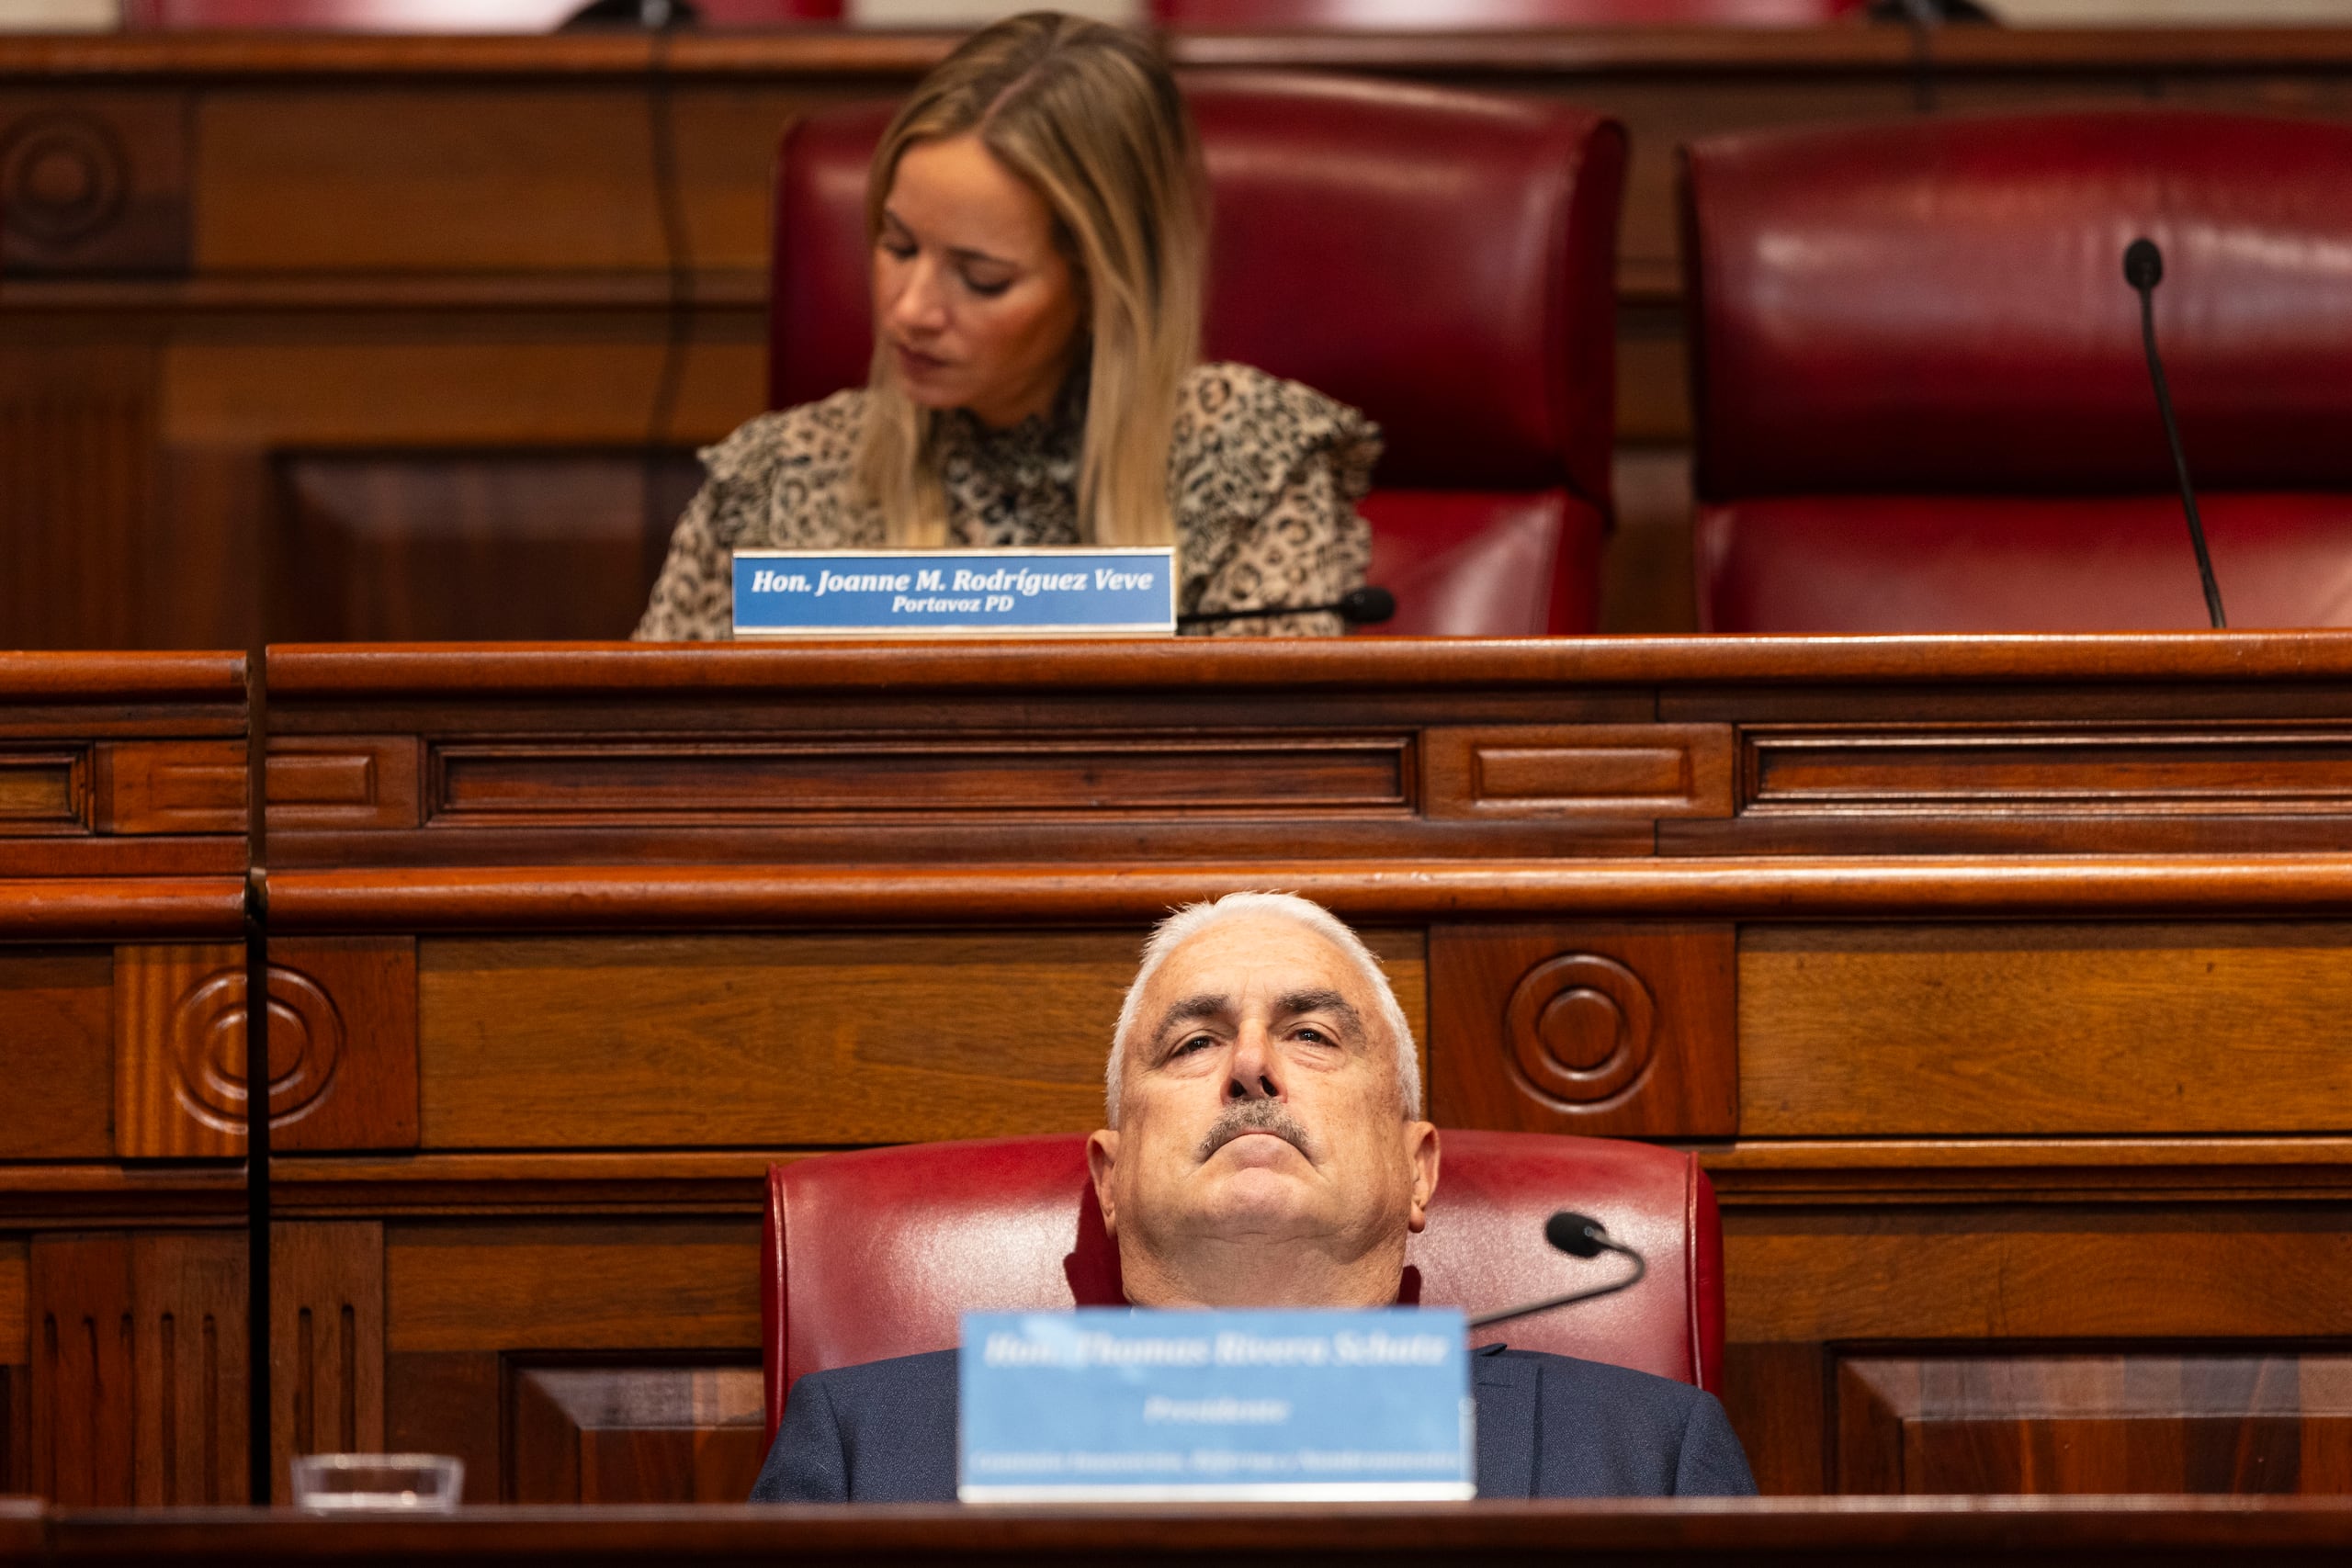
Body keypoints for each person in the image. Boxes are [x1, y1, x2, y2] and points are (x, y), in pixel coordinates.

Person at [751, 891, 1758, 1502]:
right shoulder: (865, 1449)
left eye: (1313, 1036)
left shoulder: (1648, 1453)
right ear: (1108, 1179)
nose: (1249, 1067)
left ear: (1418, 1170)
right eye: (1192, 1043)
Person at [634, 12, 1377, 642]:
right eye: (896, 246)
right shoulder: (770, 481)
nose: (908, 310)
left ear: (1099, 284)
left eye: (981, 278)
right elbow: (648, 772)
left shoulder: (1248, 463)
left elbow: (1271, 782)